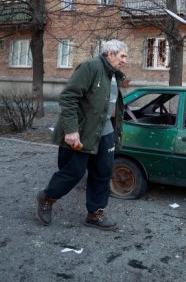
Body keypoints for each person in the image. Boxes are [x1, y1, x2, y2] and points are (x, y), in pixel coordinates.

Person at [36, 39, 128, 230]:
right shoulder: (90, 67)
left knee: (103, 172)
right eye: (122, 56)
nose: (125, 60)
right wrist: (71, 130)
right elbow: (68, 98)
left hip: (105, 132)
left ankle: (95, 214)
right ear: (110, 54)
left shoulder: (114, 75)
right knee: (74, 172)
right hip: (82, 132)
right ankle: (47, 197)